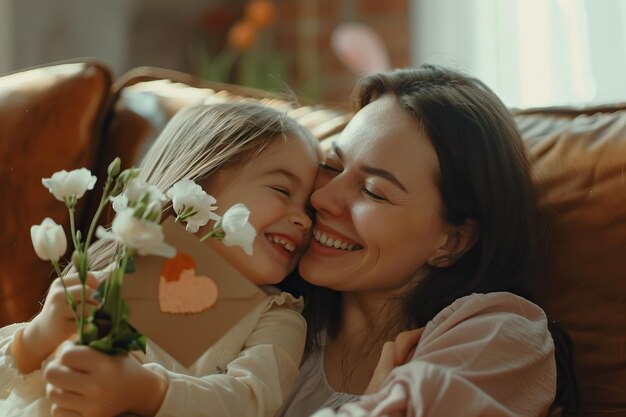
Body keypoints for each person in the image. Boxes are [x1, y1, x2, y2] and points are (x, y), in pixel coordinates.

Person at [276, 64, 575, 417]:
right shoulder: (274, 315)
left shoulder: (499, 335)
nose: (322, 199)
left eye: (373, 191)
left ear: (454, 240)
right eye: (332, 165)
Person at [0, 102, 322, 417]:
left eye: (310, 209)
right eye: (282, 190)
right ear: (201, 177)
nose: (304, 221)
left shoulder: (275, 318)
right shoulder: (116, 276)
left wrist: (148, 391)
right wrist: (35, 340)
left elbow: (250, 402)